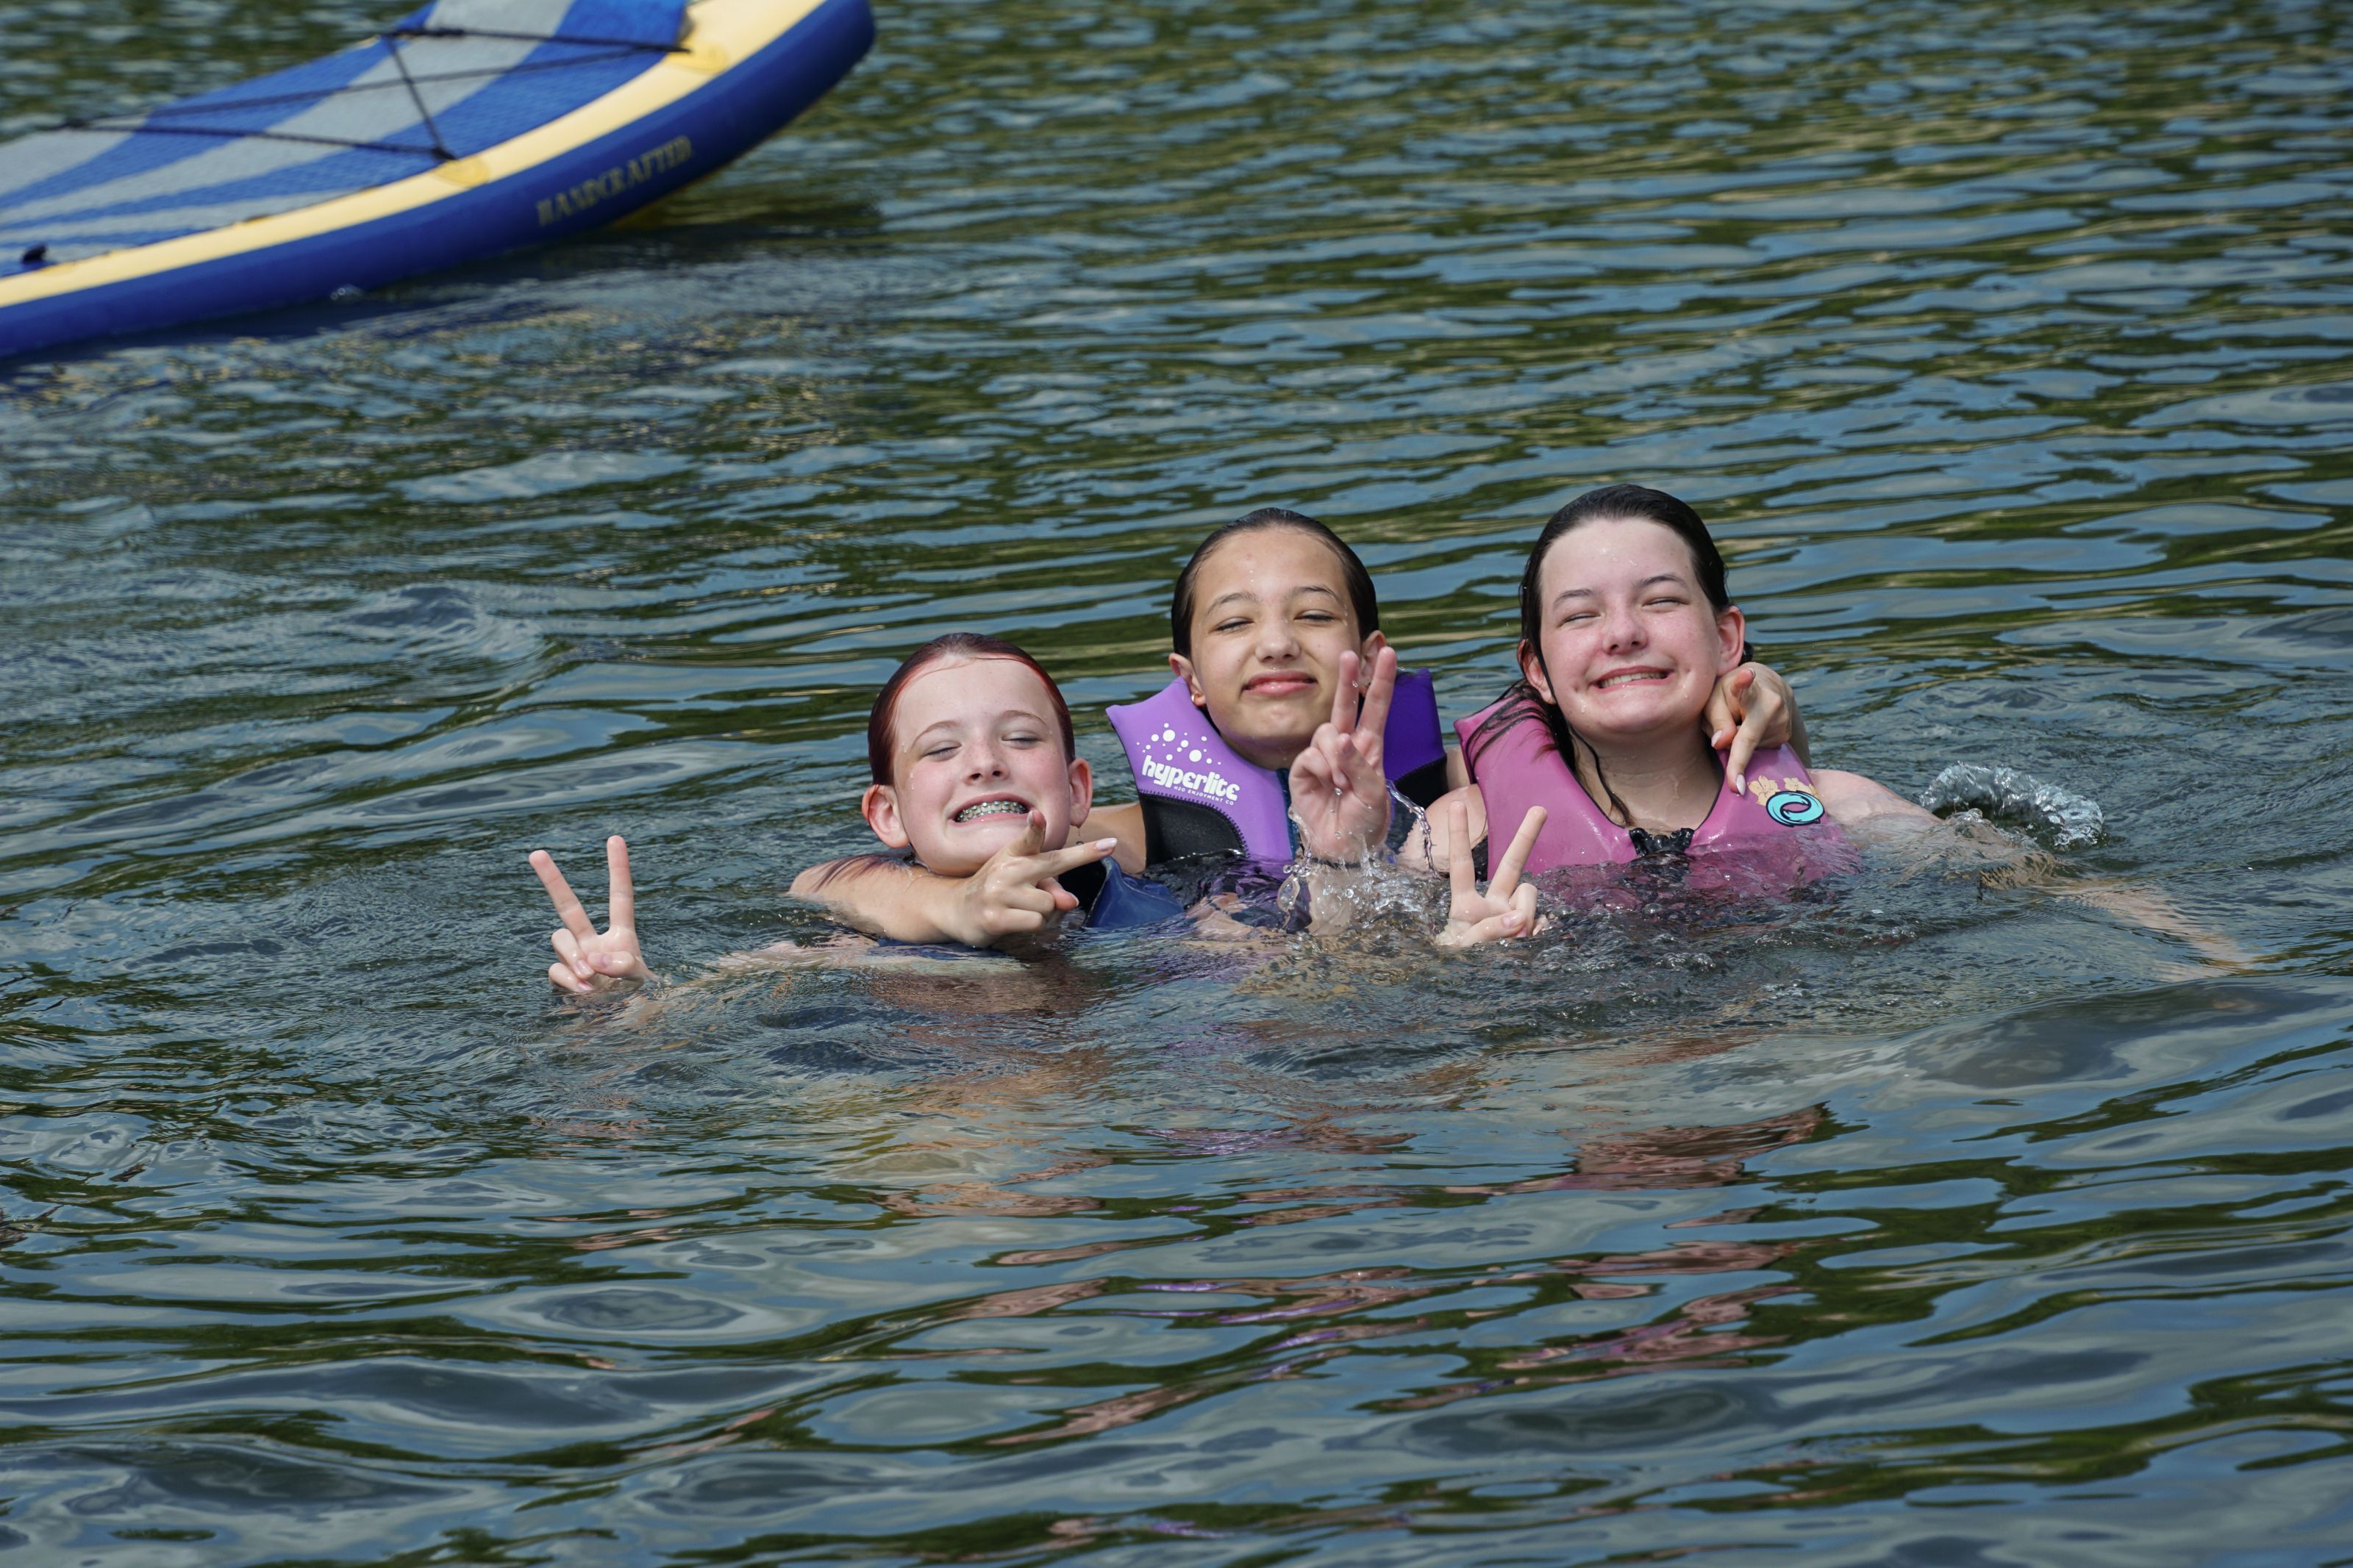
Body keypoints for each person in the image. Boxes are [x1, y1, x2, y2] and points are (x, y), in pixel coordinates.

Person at [793, 506, 1810, 943]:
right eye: (1234, 624)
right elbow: (827, 881)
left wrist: (1754, 705)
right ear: (1188, 682)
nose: (1276, 644)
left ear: (1370, 653)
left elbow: (1639, 759)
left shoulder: (1463, 791)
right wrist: (953, 909)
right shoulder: (1129, 837)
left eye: (1314, 617)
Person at [1424, 484, 2247, 968]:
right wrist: (1454, 963)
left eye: (1660, 600)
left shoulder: (1843, 806)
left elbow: (2049, 886)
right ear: (1537, 669)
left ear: (1727, 638)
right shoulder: (1461, 840)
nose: (1622, 634)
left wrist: (2211, 957)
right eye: (1580, 615)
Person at [531, 634, 1176, 992]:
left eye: (1022, 737)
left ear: (1078, 789)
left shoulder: (1167, 906)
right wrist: (628, 996)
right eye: (942, 748)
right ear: (887, 815)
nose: (985, 762)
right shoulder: (855, 947)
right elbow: (707, 998)